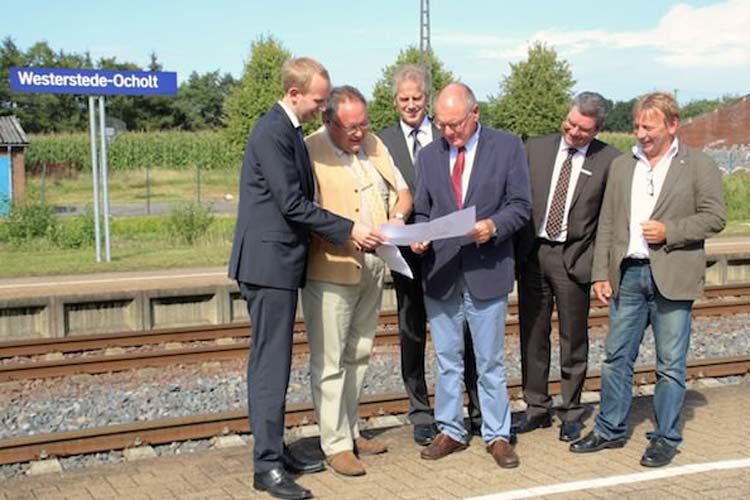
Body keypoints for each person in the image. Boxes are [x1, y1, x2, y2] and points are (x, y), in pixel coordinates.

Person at [228, 58, 383, 500]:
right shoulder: (273, 131)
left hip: (279, 262)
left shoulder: (288, 128)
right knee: (270, 367)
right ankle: (267, 468)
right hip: (267, 264)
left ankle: (275, 450)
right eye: (318, 99)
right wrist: (348, 228)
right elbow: (293, 203)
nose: (322, 106)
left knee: (276, 364)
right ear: (295, 93)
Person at [569, 92, 725, 467]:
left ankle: (665, 437)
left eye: (648, 126)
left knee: (670, 364)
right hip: (629, 274)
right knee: (615, 358)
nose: (640, 133)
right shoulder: (624, 167)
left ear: (672, 125)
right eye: (637, 125)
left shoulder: (698, 165)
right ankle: (609, 429)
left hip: (673, 275)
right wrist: (601, 275)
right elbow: (608, 223)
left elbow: (715, 216)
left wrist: (670, 230)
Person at [411, 82, 531, 468]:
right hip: (442, 272)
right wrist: (419, 236)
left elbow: (521, 205)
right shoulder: (429, 156)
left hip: (487, 269)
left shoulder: (508, 147)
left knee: (490, 361)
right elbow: (422, 210)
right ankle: (451, 430)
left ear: (475, 114)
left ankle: (498, 434)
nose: (448, 132)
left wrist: (493, 226)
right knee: (447, 360)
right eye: (442, 124)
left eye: (455, 124)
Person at [302, 85, 412, 476]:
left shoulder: (375, 144)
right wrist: (350, 232)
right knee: (330, 358)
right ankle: (334, 444)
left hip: (375, 264)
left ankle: (350, 430)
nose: (358, 133)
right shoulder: (310, 150)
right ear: (328, 121)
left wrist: (397, 217)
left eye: (363, 124)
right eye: (350, 127)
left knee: (359, 352)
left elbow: (402, 190)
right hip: (330, 265)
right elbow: (304, 210)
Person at [377, 65, 481, 445]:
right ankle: (420, 411)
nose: (410, 105)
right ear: (395, 102)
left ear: (428, 100)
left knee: (463, 331)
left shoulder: (449, 132)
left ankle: (475, 408)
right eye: (403, 99)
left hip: (450, 252)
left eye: (417, 99)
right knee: (411, 332)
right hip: (407, 255)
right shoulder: (381, 141)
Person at [514, 92, 620, 442]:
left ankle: (571, 410)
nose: (573, 132)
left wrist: (602, 268)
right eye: (571, 124)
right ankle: (536, 407)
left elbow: (609, 220)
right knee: (533, 334)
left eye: (583, 130)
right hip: (533, 254)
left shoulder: (609, 160)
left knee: (573, 338)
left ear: (597, 130)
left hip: (574, 259)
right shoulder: (536, 148)